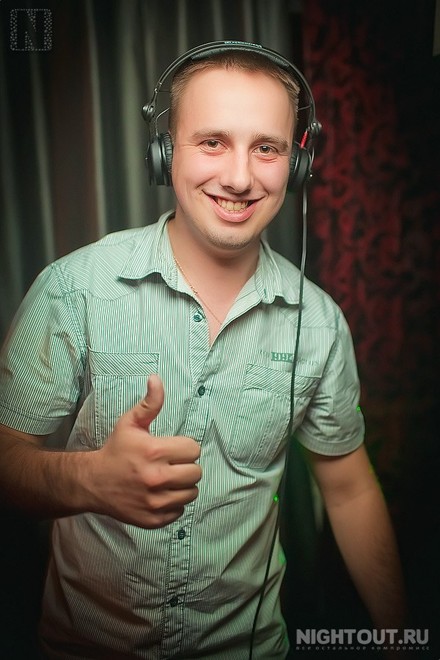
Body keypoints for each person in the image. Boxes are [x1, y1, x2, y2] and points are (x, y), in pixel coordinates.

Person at [0, 42, 406, 659]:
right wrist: (89, 480)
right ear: (165, 153)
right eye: (213, 141)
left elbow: (350, 490)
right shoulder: (74, 287)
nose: (240, 177)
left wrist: (400, 638)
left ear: (297, 165)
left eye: (266, 148)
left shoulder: (319, 323)